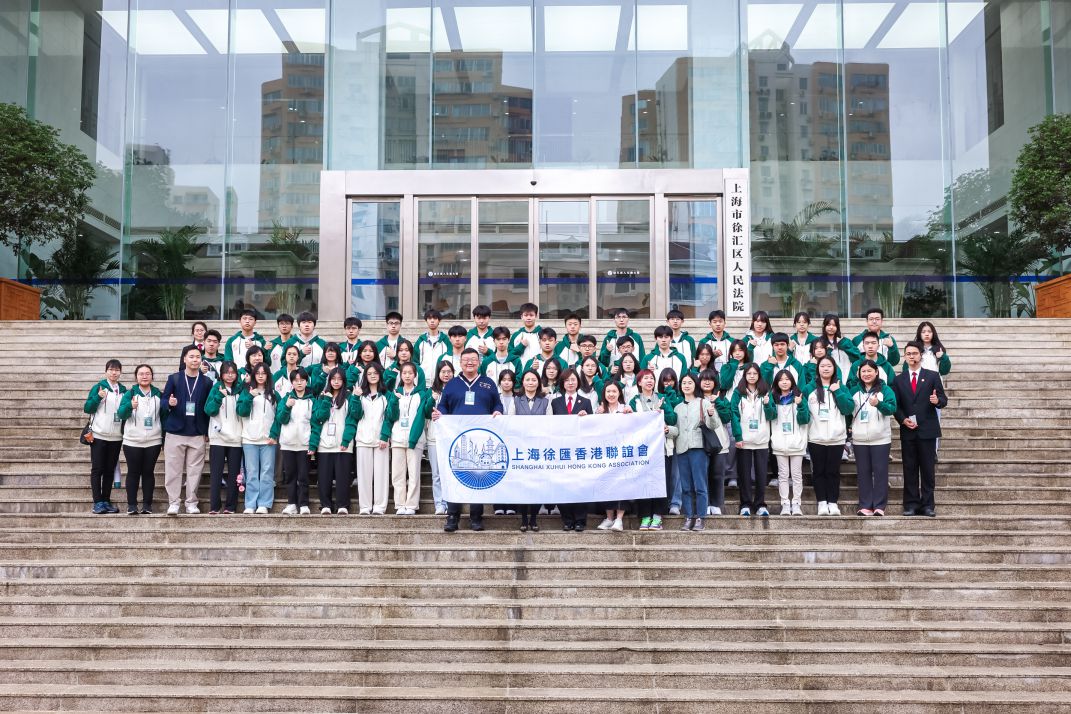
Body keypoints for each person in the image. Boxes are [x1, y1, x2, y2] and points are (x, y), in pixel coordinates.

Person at [431, 348, 504, 532]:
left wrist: (498, 411)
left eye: (473, 359)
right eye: (466, 360)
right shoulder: (452, 384)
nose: (469, 362)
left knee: (477, 477)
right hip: (456, 439)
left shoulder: (488, 383)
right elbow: (444, 406)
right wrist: (440, 414)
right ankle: (452, 516)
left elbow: (497, 403)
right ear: (460, 363)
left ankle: (476, 517)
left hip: (480, 438)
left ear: (479, 362)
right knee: (454, 476)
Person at [892, 341, 947, 517]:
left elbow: (943, 399)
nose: (912, 356)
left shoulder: (932, 376)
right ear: (905, 356)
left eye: (914, 353)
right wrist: (903, 419)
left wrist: (937, 401)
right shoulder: (898, 380)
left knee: (928, 470)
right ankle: (911, 504)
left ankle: (928, 505)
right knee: (909, 469)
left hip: (928, 430)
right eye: (908, 353)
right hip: (908, 431)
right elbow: (896, 405)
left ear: (920, 355)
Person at [161, 346, 212, 515]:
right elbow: (163, 401)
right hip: (175, 431)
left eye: (198, 357)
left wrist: (207, 432)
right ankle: (174, 502)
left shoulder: (206, 382)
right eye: (191, 356)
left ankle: (191, 502)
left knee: (195, 471)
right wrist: (169, 403)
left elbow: (208, 408)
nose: (195, 360)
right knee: (173, 470)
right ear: (184, 359)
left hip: (197, 432)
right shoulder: (174, 378)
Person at [801, 356, 854, 516]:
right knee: (818, 471)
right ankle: (822, 502)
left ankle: (833, 502)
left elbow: (848, 409)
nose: (825, 368)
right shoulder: (809, 388)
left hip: (836, 438)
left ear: (834, 368)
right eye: (822, 366)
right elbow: (803, 412)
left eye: (829, 366)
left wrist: (837, 391)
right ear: (818, 369)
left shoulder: (841, 387)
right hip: (816, 437)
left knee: (833, 471)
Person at [630, 369, 678, 530]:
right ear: (639, 382)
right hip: (642, 451)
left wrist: (662, 412)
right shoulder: (635, 401)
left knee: (661, 483)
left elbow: (673, 419)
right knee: (644, 483)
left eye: (651, 378)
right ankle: (645, 516)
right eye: (645, 378)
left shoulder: (662, 398)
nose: (649, 381)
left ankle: (658, 516)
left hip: (661, 449)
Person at [673, 373, 721, 531]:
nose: (686, 385)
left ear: (695, 385)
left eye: (690, 382)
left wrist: (711, 415)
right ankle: (688, 516)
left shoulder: (704, 403)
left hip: (698, 448)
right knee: (686, 486)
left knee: (700, 485)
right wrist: (667, 430)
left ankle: (700, 517)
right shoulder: (677, 407)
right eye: (684, 383)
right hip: (682, 448)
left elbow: (713, 425)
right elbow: (676, 430)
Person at [117, 364, 166, 515]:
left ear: (152, 376)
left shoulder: (158, 394)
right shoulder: (130, 393)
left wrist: (164, 439)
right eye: (141, 374)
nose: (144, 376)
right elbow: (121, 414)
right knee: (133, 472)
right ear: (136, 377)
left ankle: (147, 505)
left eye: (147, 373)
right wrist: (129, 406)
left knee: (148, 473)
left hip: (153, 440)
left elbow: (164, 417)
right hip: (132, 440)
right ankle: (132, 505)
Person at [310, 366, 359, 515]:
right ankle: (325, 504)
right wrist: (326, 400)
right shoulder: (322, 397)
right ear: (329, 380)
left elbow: (353, 419)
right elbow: (318, 418)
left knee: (343, 477)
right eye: (333, 379)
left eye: (339, 379)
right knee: (324, 477)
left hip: (343, 444)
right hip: (324, 443)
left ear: (344, 381)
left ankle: (342, 505)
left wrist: (346, 440)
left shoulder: (349, 397)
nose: (336, 382)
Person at [850, 360, 897, 516]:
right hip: (859, 438)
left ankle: (879, 506)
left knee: (880, 472)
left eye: (869, 371)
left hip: (881, 438)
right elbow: (847, 410)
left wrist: (879, 404)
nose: (866, 374)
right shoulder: (854, 390)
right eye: (863, 371)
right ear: (859, 373)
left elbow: (892, 408)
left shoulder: (885, 389)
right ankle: (865, 505)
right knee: (863, 473)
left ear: (876, 372)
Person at [550, 368, 593, 531]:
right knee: (563, 485)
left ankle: (580, 520)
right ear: (562, 383)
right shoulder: (555, 402)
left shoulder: (586, 402)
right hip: (561, 450)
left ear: (578, 382)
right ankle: (567, 520)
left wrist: (586, 418)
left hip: (579, 450)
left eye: (573, 380)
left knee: (580, 485)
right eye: (567, 380)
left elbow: (593, 427)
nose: (570, 383)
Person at [385, 362, 429, 515]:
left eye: (410, 373)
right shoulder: (395, 392)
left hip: (415, 439)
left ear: (415, 375)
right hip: (397, 437)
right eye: (404, 373)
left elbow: (423, 415)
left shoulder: (421, 394)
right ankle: (400, 504)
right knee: (398, 474)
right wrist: (393, 401)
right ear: (401, 375)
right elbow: (391, 416)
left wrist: (413, 438)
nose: (407, 376)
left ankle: (411, 505)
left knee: (414, 473)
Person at [83, 359, 126, 514]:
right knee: (97, 469)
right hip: (99, 435)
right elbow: (87, 408)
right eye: (111, 370)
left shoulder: (123, 390)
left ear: (120, 372)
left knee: (109, 470)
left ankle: (106, 501)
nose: (114, 373)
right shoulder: (99, 387)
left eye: (117, 370)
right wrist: (98, 397)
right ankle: (97, 502)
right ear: (106, 371)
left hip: (116, 436)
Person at [765, 369, 810, 516]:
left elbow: (805, 419)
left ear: (792, 381)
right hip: (779, 443)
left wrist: (800, 405)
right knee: (783, 475)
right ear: (776, 383)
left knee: (796, 475)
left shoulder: (798, 397)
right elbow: (770, 417)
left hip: (797, 443)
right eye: (781, 380)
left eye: (787, 379)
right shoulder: (773, 398)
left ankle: (796, 503)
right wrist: (767, 405)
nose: (784, 382)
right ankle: (785, 503)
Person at [272, 367, 316, 516]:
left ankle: (304, 504)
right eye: (296, 380)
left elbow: (315, 423)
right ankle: (291, 503)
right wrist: (287, 407)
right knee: (290, 475)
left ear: (306, 382)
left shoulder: (311, 400)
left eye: (302, 380)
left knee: (303, 476)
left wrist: (312, 444)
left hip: (304, 444)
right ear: (292, 383)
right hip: (288, 444)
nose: (299, 383)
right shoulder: (286, 399)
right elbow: (281, 419)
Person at [236, 363, 278, 514]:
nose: (260, 376)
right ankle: (250, 504)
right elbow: (241, 411)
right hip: (249, 439)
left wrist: (274, 434)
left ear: (268, 375)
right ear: (253, 375)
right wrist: (249, 397)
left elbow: (279, 416)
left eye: (263, 373)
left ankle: (264, 503)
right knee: (252, 472)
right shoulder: (246, 391)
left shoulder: (273, 394)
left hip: (268, 440)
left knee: (267, 472)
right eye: (258, 373)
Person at [513, 369, 552, 531]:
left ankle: (534, 519)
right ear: (523, 382)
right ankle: (523, 519)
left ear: (539, 383)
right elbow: (510, 424)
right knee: (523, 485)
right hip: (521, 448)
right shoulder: (516, 400)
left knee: (537, 484)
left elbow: (550, 424)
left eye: (534, 380)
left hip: (539, 448)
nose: (531, 382)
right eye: (527, 379)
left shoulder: (546, 401)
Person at [730, 363, 770, 517]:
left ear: (759, 375)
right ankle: (745, 504)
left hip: (762, 439)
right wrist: (738, 436)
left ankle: (760, 504)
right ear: (744, 375)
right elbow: (734, 414)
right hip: (744, 441)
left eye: (755, 373)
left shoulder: (765, 392)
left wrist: (767, 405)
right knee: (744, 474)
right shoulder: (738, 393)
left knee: (761, 474)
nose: (752, 376)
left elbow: (772, 415)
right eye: (749, 373)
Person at [204, 361, 244, 515]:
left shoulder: (241, 389)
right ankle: (214, 506)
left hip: (236, 438)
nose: (230, 375)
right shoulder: (216, 388)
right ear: (221, 374)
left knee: (234, 474)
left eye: (233, 372)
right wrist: (219, 397)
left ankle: (231, 506)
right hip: (218, 438)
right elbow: (209, 410)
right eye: (227, 372)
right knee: (216, 473)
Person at [352, 362, 391, 515]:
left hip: (381, 440)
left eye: (375, 373)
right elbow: (355, 415)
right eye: (369, 374)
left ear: (380, 375)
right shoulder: (360, 394)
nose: (373, 376)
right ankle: (365, 506)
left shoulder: (386, 395)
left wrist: (385, 436)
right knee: (364, 476)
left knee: (381, 475)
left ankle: (379, 507)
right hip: (363, 439)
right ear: (365, 376)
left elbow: (389, 418)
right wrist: (355, 398)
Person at [697, 369, 732, 517]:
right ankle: (704, 504)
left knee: (717, 475)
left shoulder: (722, 398)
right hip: (700, 443)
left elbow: (727, 418)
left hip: (720, 442)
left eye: (710, 379)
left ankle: (716, 504)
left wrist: (717, 402)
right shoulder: (695, 399)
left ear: (715, 382)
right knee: (703, 475)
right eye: (704, 379)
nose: (707, 382)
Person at [426, 361, 455, 515]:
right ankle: (439, 503)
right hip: (434, 437)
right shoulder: (431, 391)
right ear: (438, 374)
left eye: (449, 371)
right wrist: (432, 399)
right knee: (436, 474)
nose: (446, 374)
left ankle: (451, 502)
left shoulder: (457, 390)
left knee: (449, 472)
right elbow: (425, 412)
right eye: (443, 371)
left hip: (451, 437)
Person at [414, 308, 449, 384]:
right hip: (423, 383)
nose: (432, 321)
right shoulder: (420, 341)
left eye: (435, 318)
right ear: (426, 321)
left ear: (439, 321)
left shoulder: (446, 340)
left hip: (441, 383)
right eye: (429, 318)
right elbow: (415, 361)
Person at [820, 314, 860, 379]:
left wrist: (843, 344)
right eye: (828, 325)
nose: (831, 327)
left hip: (846, 375)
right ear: (824, 326)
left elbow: (856, 356)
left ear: (837, 327)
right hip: (828, 378)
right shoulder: (820, 342)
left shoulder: (845, 341)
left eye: (834, 325)